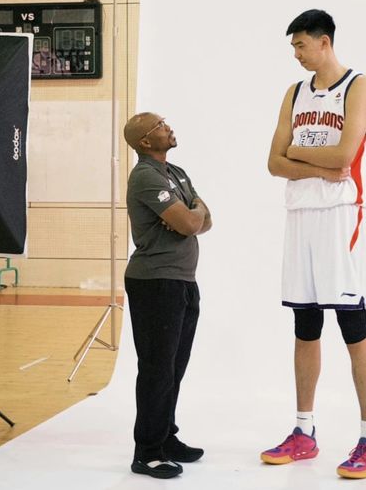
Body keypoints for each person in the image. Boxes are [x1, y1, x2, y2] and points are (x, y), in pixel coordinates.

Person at [260, 9, 366, 479]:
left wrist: (298, 153)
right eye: (293, 47)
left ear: (324, 41)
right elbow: (274, 162)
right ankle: (304, 431)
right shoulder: (294, 93)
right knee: (305, 324)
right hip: (300, 215)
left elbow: (345, 154)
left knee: (353, 324)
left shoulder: (358, 85)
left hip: (339, 216)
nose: (295, 54)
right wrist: (315, 165)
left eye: (300, 45)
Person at [123, 112, 212, 479]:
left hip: (182, 282)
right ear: (145, 142)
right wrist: (191, 214)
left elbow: (205, 219)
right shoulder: (145, 176)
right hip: (155, 283)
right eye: (159, 125)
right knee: (157, 370)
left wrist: (192, 212)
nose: (168, 126)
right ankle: (147, 452)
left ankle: (165, 438)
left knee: (174, 367)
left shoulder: (176, 173)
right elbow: (191, 223)